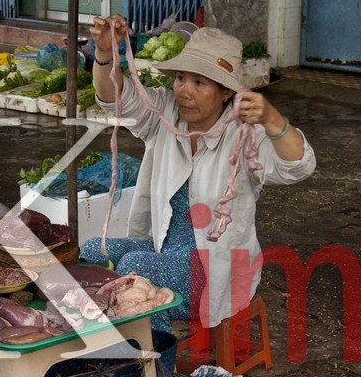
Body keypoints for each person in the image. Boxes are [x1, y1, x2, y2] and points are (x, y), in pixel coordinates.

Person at [85, 17, 315, 332]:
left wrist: (273, 120)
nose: (185, 91)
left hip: (218, 266)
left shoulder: (244, 136)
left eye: (200, 83)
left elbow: (299, 166)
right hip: (165, 250)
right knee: (92, 253)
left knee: (135, 268)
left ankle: (153, 358)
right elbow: (114, 99)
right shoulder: (165, 114)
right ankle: (105, 344)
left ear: (225, 93)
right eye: (181, 78)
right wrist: (104, 52)